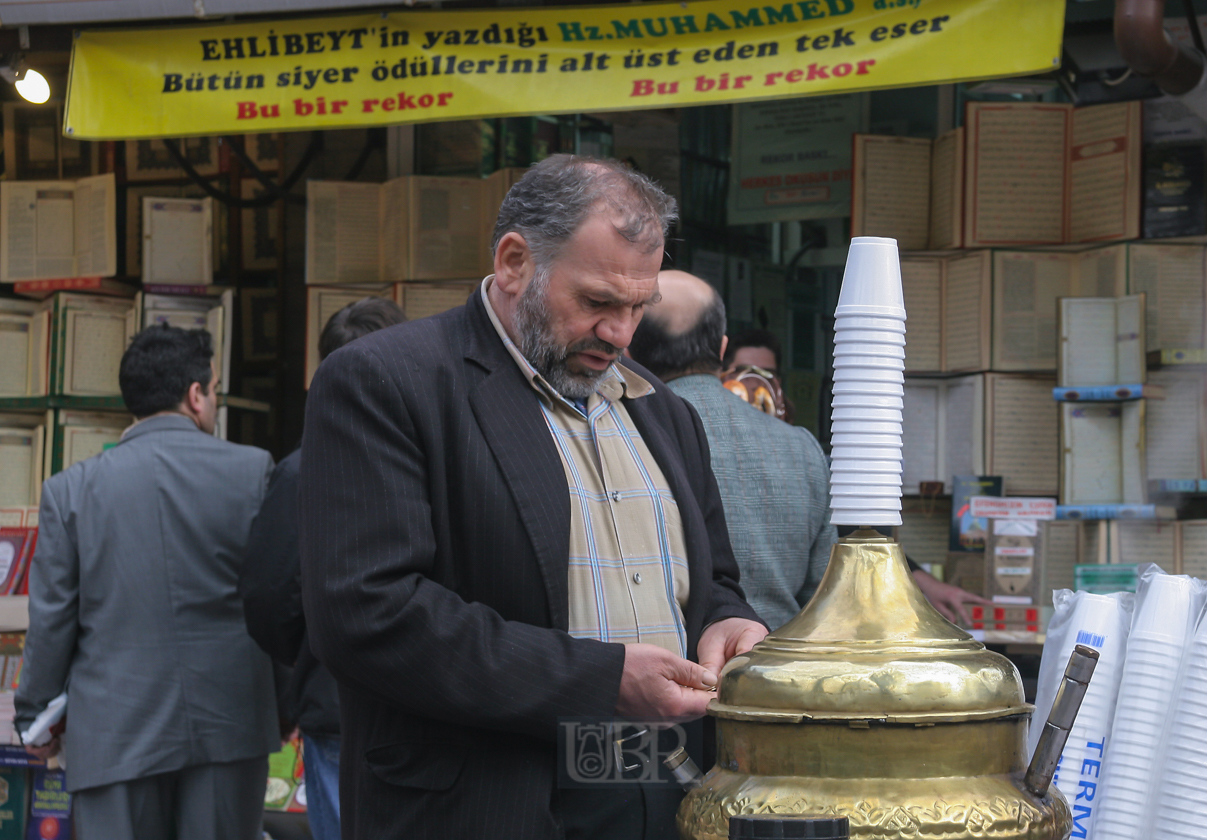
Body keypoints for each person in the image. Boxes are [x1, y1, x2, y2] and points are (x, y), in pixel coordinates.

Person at [300, 155, 767, 840]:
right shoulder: (387, 383)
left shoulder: (662, 411)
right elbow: (368, 614)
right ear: (515, 262)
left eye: (639, 306)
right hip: (490, 804)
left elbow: (715, 580)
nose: (621, 333)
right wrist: (601, 679)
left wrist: (729, 623)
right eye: (598, 302)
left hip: (664, 793)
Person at [16, 325, 277, 840]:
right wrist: (288, 703)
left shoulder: (68, 492)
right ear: (195, 395)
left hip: (114, 735)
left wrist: (34, 718)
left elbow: (51, 622)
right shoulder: (254, 472)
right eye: (215, 389)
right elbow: (277, 598)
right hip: (230, 726)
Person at [630, 270, 988, 628]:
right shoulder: (804, 448)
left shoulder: (624, 434)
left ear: (627, 346)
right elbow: (828, 595)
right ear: (722, 349)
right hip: (778, 669)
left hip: (666, 672)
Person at [239, 297, 407, 840]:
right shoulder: (443, 452)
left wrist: (313, 652)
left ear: (322, 376)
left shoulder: (302, 470)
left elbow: (268, 596)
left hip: (336, 702)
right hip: (436, 708)